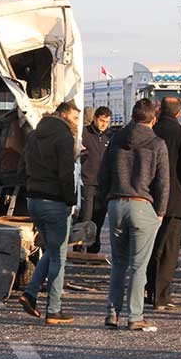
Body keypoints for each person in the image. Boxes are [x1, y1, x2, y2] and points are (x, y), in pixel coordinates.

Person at [99, 99, 169, 330]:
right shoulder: (157, 143)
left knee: (118, 263)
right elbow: (162, 183)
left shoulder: (116, 139)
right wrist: (160, 212)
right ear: (153, 120)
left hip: (116, 204)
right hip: (142, 205)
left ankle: (112, 313)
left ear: (131, 116)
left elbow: (103, 175)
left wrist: (106, 199)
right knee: (139, 266)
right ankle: (135, 316)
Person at [18, 101, 81, 325]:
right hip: (54, 201)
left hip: (34, 200)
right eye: (74, 119)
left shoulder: (34, 135)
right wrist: (70, 201)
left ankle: (30, 294)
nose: (76, 124)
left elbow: (22, 166)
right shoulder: (64, 137)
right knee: (59, 256)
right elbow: (66, 173)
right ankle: (54, 310)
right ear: (64, 116)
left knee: (52, 250)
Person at [145, 97, 181, 310]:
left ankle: (149, 290)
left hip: (149, 198)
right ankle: (162, 296)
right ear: (178, 113)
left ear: (159, 110)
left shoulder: (151, 133)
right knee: (169, 250)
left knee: (150, 247)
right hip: (176, 199)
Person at [79, 106, 112, 253]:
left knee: (99, 217)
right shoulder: (85, 133)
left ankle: (94, 248)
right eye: (101, 121)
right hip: (88, 182)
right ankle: (80, 246)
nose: (104, 124)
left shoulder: (110, 137)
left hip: (103, 184)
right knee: (86, 216)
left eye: (107, 122)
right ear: (95, 119)